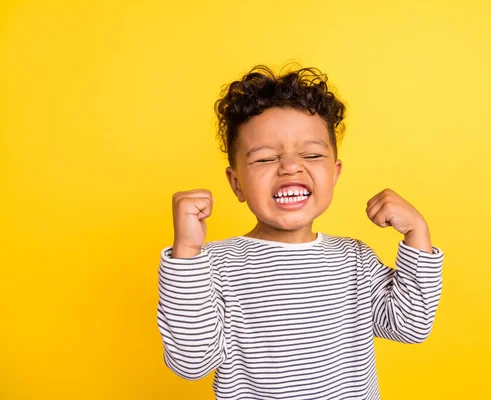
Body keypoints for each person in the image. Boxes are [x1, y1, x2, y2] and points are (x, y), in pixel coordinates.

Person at [157, 64, 444, 399]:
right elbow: (191, 364)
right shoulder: (213, 265)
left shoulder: (355, 259)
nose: (290, 166)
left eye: (311, 154)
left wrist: (417, 236)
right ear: (236, 184)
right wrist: (186, 255)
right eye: (264, 159)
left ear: (334, 174)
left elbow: (409, 326)